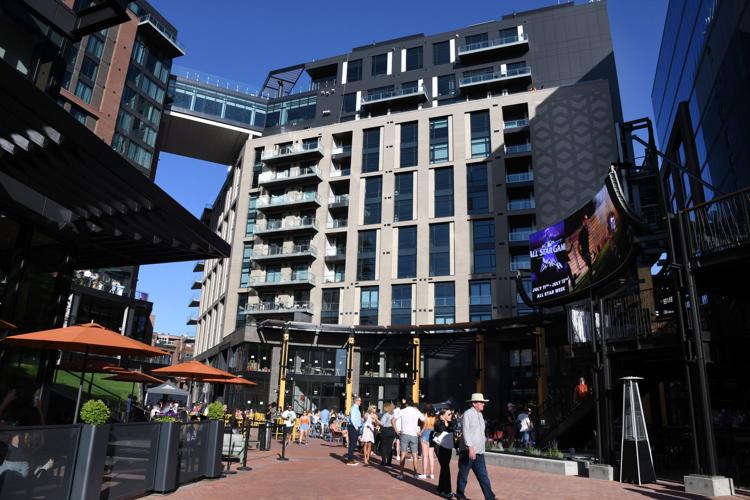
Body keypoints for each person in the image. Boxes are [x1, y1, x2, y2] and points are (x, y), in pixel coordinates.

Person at [456, 393, 496, 500]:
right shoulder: (467, 414)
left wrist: (484, 440)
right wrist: (470, 447)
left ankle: (490, 497)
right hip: (468, 451)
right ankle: (460, 495)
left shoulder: (480, 415)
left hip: (479, 452)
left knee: (483, 476)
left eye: (483, 402)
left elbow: (479, 432)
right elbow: (466, 432)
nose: (483, 404)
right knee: (463, 475)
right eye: (481, 402)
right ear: (474, 403)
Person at [393, 398, 425, 480]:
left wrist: (396, 431)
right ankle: (415, 473)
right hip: (414, 434)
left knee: (402, 454)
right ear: (413, 404)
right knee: (415, 454)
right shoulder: (416, 411)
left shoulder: (403, 411)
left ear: (406, 404)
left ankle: (401, 473)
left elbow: (393, 420)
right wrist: (421, 432)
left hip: (404, 434)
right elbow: (425, 421)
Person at [434, 408, 456, 498]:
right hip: (440, 447)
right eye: (449, 414)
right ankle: (447, 491)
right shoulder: (438, 423)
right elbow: (441, 429)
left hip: (448, 446)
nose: (451, 416)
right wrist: (444, 421)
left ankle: (440, 488)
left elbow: (455, 426)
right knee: (446, 468)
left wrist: (451, 418)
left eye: (451, 414)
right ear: (442, 416)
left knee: (444, 467)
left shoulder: (450, 422)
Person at [419, 406, 436, 479]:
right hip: (432, 433)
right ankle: (432, 473)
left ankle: (424, 473)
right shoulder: (435, 417)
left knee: (425, 455)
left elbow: (421, 424)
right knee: (431, 456)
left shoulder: (424, 415)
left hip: (425, 433)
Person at [345, 396, 362, 465]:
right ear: (356, 401)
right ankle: (350, 460)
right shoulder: (354, 408)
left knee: (353, 443)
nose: (360, 402)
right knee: (352, 443)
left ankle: (351, 458)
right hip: (353, 427)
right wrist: (356, 426)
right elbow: (352, 418)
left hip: (354, 427)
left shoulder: (356, 408)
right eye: (360, 401)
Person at [379, 402, 396, 466]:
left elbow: (382, 423)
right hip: (392, 430)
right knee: (390, 447)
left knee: (383, 446)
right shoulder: (394, 414)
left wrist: (376, 420)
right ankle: (389, 462)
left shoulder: (386, 414)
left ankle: (383, 461)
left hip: (386, 430)